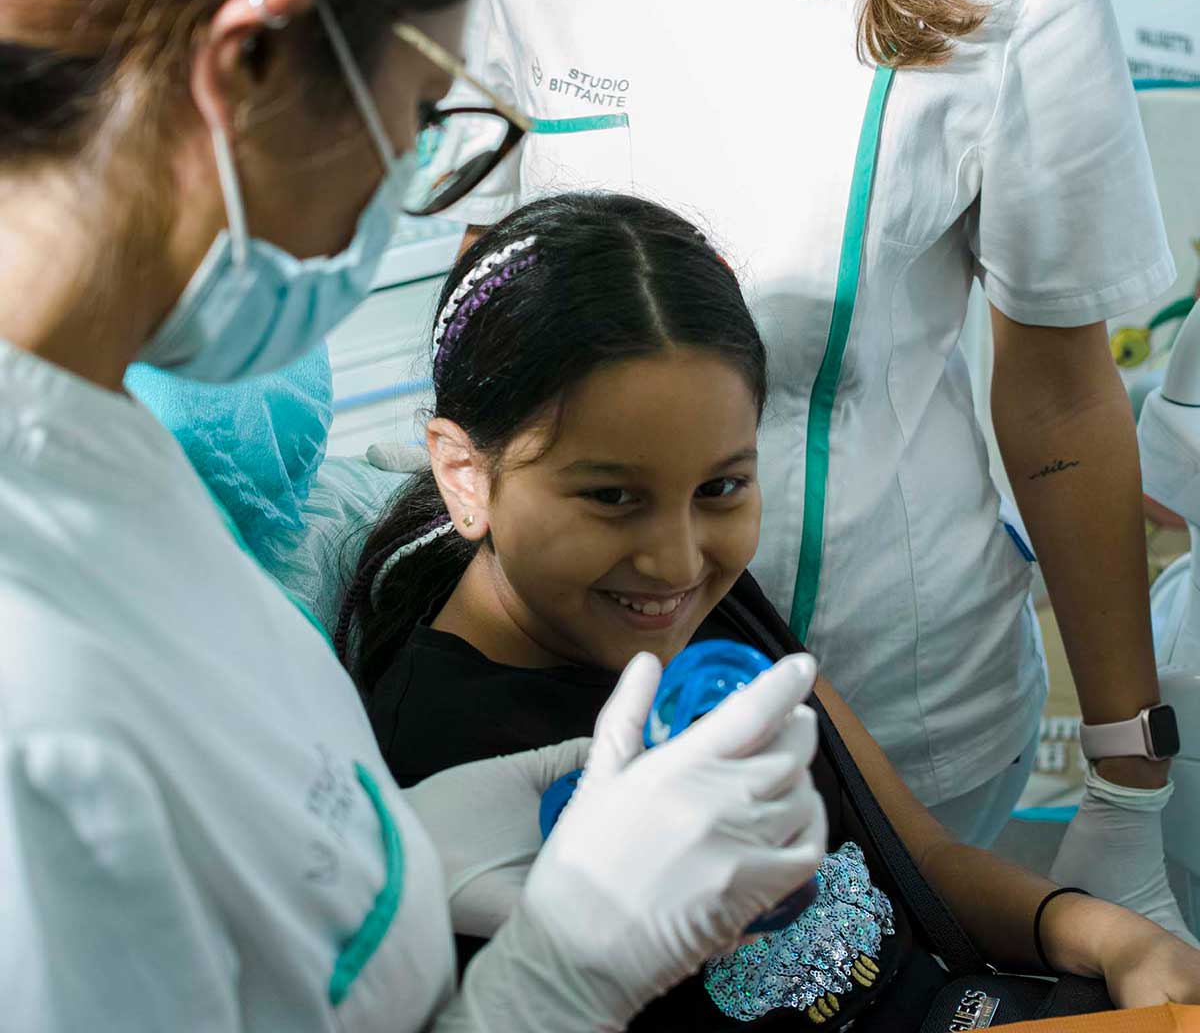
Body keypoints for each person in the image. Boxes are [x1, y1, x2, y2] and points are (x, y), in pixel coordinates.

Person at [0, 0, 827, 1030]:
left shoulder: (92, 431)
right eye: (422, 114)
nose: (411, 174)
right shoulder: (35, 694)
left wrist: (402, 854)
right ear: (258, 58)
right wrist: (561, 976)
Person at [436, 0, 1190, 933]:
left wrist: (1128, 776)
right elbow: (485, 315)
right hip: (576, 678)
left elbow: (1062, 402)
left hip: (901, 692)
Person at [335, 191, 1200, 1027]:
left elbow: (922, 858)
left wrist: (1103, 933)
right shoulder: (438, 758)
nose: (676, 559)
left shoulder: (702, 608)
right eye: (610, 497)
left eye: (721, 486)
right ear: (463, 475)